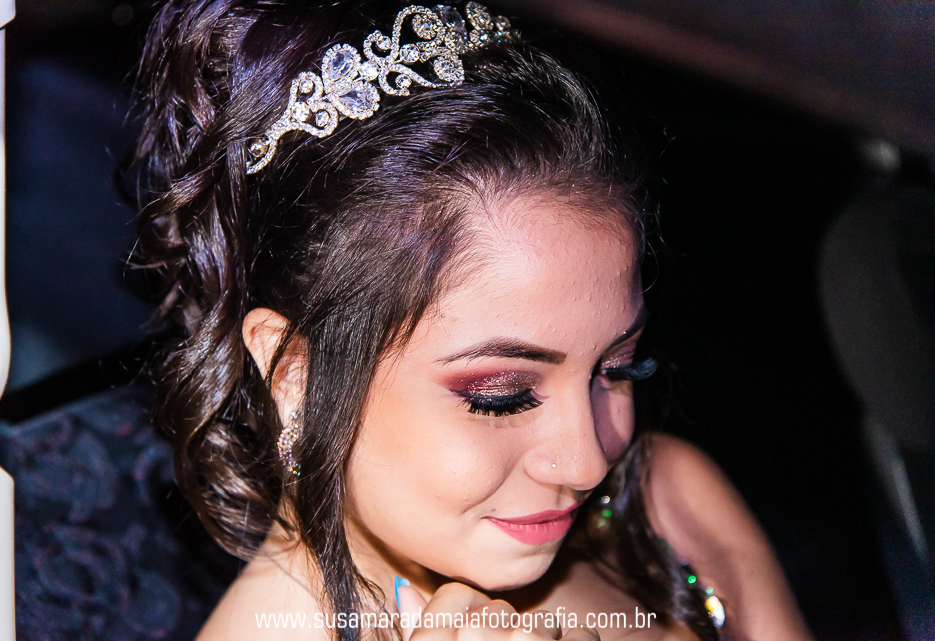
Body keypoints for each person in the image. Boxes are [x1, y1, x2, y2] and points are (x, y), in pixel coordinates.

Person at [126, 1, 813, 639]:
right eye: (501, 396)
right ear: (294, 374)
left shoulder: (666, 506)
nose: (586, 460)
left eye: (617, 369)